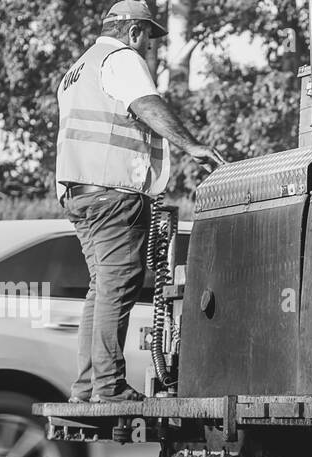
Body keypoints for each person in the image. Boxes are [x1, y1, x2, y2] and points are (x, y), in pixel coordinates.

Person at [55, 0, 223, 403]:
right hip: (113, 193)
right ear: (133, 32)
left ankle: (87, 386)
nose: (148, 47)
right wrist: (193, 146)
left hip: (81, 195)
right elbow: (147, 105)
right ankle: (109, 386)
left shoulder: (76, 71)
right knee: (118, 284)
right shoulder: (121, 58)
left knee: (102, 288)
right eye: (148, 37)